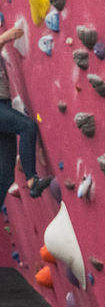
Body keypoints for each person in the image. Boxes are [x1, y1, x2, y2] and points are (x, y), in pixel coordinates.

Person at [0, 27, 51, 206]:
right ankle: (32, 180)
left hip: (4, 104)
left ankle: (32, 183)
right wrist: (4, 38)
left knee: (6, 174)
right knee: (27, 126)